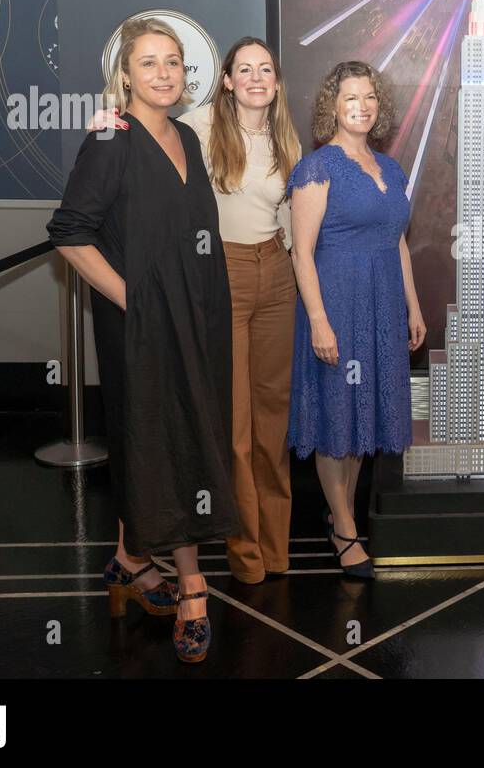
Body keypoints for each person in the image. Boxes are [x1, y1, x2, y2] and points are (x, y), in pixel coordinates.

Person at [47, 17, 235, 663]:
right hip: (141, 328)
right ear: (124, 74)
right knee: (166, 440)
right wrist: (137, 300)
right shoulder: (111, 138)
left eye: (173, 62)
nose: (163, 73)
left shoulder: (184, 134)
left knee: (167, 435)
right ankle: (191, 585)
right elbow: (71, 234)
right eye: (149, 62)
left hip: (197, 320)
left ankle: (130, 559)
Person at [287, 61, 425, 580]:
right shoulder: (317, 167)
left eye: (369, 97)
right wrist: (319, 322)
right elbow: (302, 254)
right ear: (332, 105)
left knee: (361, 414)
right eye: (350, 97)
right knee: (335, 415)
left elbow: (400, 243)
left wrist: (412, 306)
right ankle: (345, 528)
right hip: (338, 302)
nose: (362, 106)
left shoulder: (390, 169)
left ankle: (338, 510)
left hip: (382, 303)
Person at [178, 38, 301, 585]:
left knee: (273, 418)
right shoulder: (199, 126)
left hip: (277, 270)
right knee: (236, 424)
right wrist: (108, 119)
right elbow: (144, 136)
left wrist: (309, 292)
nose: (255, 78)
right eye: (244, 69)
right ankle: (245, 551)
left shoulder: (285, 136)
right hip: (221, 272)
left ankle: (277, 550)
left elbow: (295, 217)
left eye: (265, 69)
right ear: (226, 79)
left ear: (276, 80)